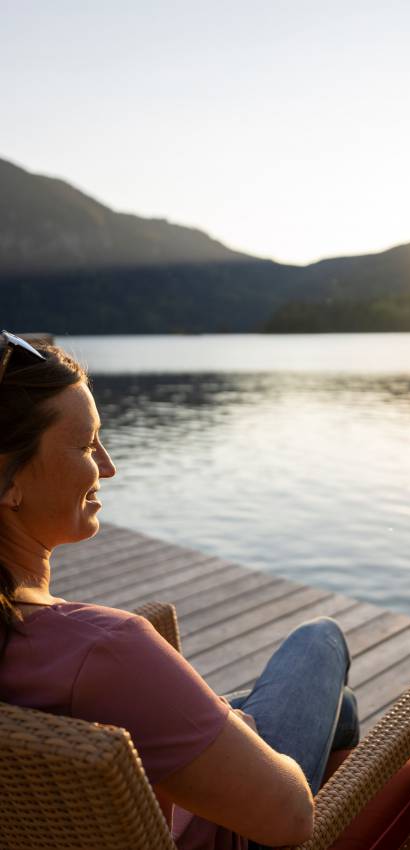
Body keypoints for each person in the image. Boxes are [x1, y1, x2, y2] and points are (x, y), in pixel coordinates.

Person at [0, 331, 360, 850]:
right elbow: (291, 820)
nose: (107, 466)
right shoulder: (107, 649)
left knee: (338, 707)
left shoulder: (37, 648)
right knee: (320, 640)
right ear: (5, 482)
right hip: (234, 835)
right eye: (84, 445)